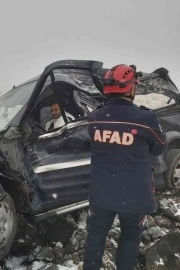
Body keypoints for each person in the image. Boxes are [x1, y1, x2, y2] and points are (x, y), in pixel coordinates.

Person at [83, 64, 167, 270]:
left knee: (95, 238)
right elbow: (159, 147)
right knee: (129, 239)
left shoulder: (95, 117)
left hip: (101, 193)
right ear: (130, 88)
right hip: (134, 196)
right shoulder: (146, 119)